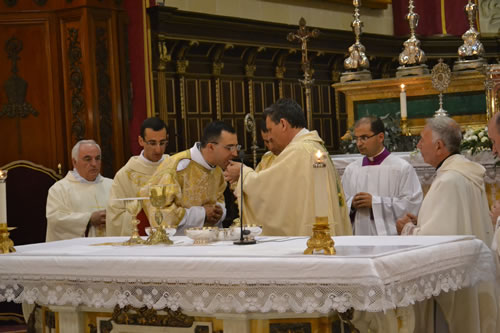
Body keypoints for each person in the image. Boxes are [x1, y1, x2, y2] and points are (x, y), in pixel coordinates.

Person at [396, 116, 497, 333]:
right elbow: (456, 222)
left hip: (457, 285)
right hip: (472, 275)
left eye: (422, 140)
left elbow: (436, 242)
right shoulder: (465, 173)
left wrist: (406, 229)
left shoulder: (449, 180)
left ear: (439, 146)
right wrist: (420, 221)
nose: (418, 145)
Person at [224, 98, 351, 237]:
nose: (270, 139)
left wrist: (243, 173)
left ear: (283, 124)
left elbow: (268, 190)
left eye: (271, 130)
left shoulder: (300, 151)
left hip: (310, 237)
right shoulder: (312, 147)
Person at [143, 121, 238, 235]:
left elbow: (219, 200)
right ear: (211, 146)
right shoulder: (175, 167)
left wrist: (219, 212)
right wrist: (202, 214)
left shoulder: (217, 170)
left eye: (236, 147)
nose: (235, 153)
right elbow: (160, 214)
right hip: (180, 245)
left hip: (211, 242)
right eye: (230, 148)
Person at [342, 116, 422, 235]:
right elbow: (340, 203)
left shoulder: (401, 168)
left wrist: (375, 203)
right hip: (358, 237)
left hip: (391, 238)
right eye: (356, 138)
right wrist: (352, 204)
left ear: (380, 137)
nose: (359, 143)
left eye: (364, 137)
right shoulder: (351, 170)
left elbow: (411, 205)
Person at [106, 117, 169, 236]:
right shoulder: (125, 175)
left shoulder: (175, 168)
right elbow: (115, 217)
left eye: (162, 143)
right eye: (152, 143)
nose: (158, 149)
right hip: (141, 243)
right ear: (141, 141)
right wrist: (145, 216)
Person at [46, 140, 112, 242]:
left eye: (97, 158)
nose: (94, 164)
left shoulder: (112, 185)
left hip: (111, 249)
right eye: (88, 159)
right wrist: (88, 219)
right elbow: (55, 220)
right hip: (77, 253)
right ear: (74, 162)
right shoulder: (59, 189)